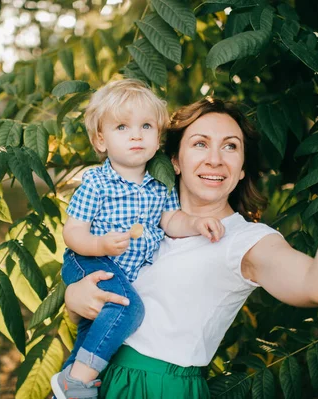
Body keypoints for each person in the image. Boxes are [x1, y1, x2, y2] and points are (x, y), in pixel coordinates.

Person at [63, 95, 318, 398]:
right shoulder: (141, 215)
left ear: (240, 170)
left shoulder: (243, 241)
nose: (215, 158)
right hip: (91, 373)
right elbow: (103, 292)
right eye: (200, 143)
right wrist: (74, 299)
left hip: (156, 387)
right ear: (174, 159)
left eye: (231, 147)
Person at [51, 80, 225, 399]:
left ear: (158, 138)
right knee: (128, 311)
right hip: (89, 259)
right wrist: (100, 245)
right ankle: (75, 384)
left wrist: (197, 223)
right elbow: (72, 232)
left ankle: (66, 384)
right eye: (122, 126)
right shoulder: (97, 182)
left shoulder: (159, 187)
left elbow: (171, 220)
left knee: (96, 330)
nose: (136, 134)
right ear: (100, 140)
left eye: (146, 126)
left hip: (122, 270)